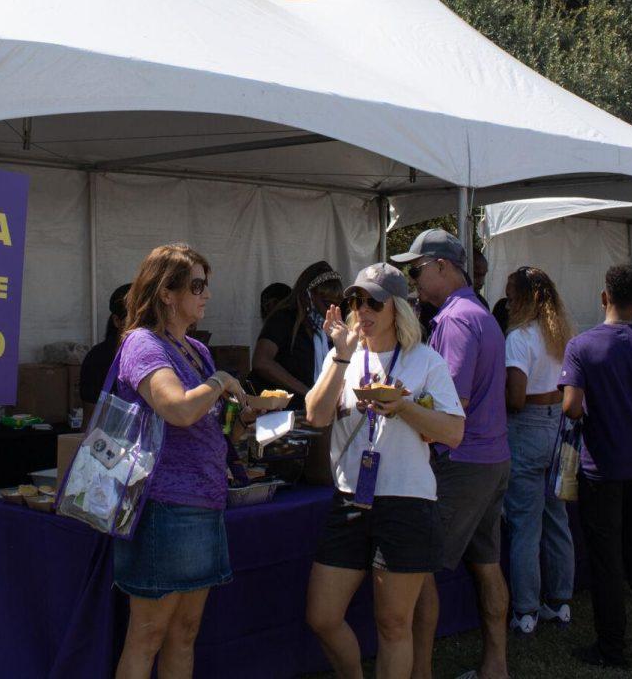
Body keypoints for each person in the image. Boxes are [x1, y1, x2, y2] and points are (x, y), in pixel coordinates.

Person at [304, 263, 465, 679]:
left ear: (397, 308)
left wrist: (405, 407)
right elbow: (316, 416)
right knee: (322, 615)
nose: (362, 309)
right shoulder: (344, 355)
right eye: (355, 300)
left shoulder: (425, 360)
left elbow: (454, 432)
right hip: (351, 499)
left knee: (393, 623)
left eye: (373, 301)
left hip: (406, 501)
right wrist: (339, 354)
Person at [111, 243, 255, 679]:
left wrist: (239, 419)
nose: (205, 294)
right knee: (148, 635)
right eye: (196, 285)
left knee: (185, 631)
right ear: (167, 293)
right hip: (163, 505)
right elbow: (178, 408)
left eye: (205, 285)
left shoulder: (195, 348)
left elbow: (205, 416)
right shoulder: (142, 344)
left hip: (203, 502)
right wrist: (220, 381)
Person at [393, 229, 510, 679]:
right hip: (491, 458)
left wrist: (398, 402)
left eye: (417, 269)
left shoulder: (457, 320)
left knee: (419, 569)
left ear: (443, 266)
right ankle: (495, 666)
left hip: (461, 464)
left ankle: (420, 669)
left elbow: (451, 404)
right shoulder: (476, 313)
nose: (413, 279)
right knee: (487, 563)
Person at [559, 265, 632, 667]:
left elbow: (572, 407)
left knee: (606, 558)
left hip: (600, 467)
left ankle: (612, 644)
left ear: (603, 296)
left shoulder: (582, 346)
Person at [502, 266, 575, 635]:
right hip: (556, 423)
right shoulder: (560, 335)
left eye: (511, 296)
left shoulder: (519, 337)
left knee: (524, 525)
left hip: (528, 424)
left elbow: (515, 397)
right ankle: (560, 601)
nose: (508, 303)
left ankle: (526, 609)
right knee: (556, 518)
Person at [252, 262, 343, 404]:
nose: (330, 310)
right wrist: (308, 392)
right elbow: (261, 361)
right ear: (308, 296)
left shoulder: (328, 330)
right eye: (326, 303)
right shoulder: (284, 319)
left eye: (336, 304)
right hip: (282, 413)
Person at [78, 283, 132, 427]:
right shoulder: (98, 359)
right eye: (137, 317)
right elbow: (90, 420)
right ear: (117, 321)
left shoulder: (161, 355)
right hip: (113, 445)